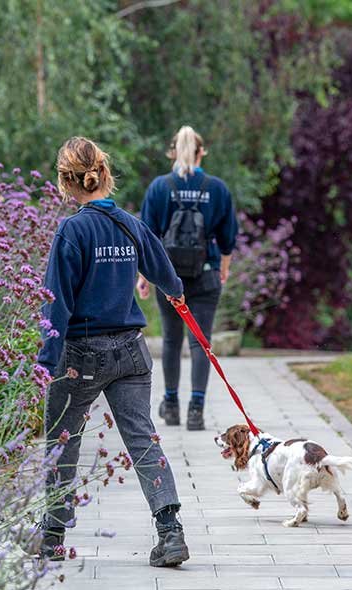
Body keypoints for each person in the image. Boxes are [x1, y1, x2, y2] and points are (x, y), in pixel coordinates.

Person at [37, 137, 190, 567]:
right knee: (142, 438)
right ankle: (170, 530)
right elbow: (166, 274)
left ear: (67, 183)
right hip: (131, 352)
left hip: (81, 355)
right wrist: (175, 293)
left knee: (62, 440)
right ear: (103, 175)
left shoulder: (72, 230)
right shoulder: (129, 224)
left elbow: (57, 301)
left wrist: (46, 360)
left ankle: (51, 535)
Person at [138, 126, 238, 431]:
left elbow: (147, 235)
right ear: (201, 152)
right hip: (205, 275)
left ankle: (170, 405)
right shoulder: (217, 188)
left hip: (169, 276)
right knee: (200, 343)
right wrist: (222, 267)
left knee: (171, 340)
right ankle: (196, 409)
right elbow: (228, 236)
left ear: (172, 152)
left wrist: (144, 276)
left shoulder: (159, 187)